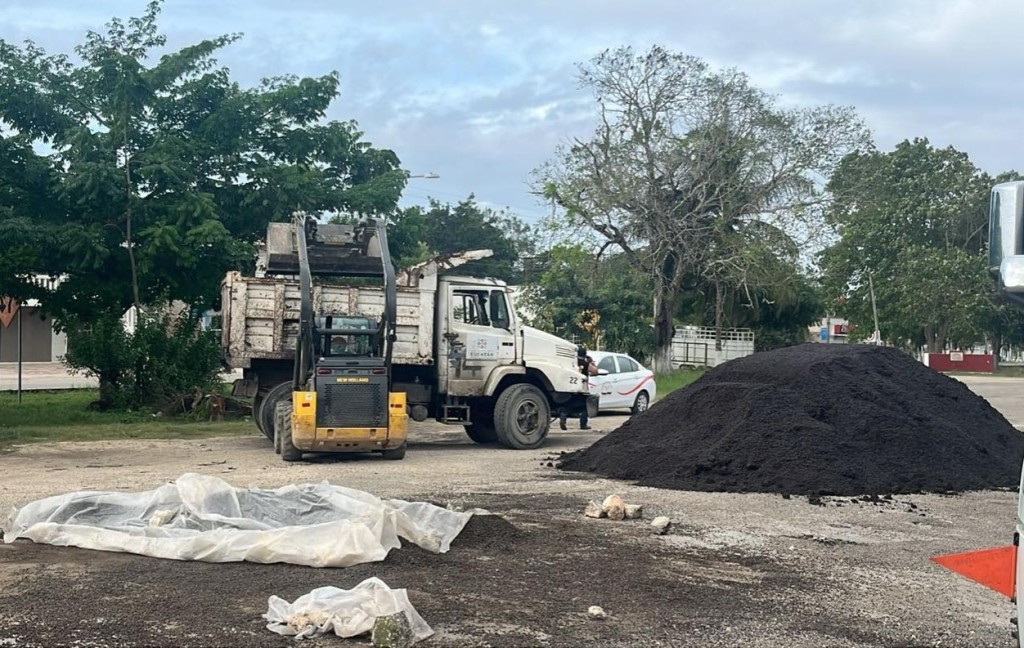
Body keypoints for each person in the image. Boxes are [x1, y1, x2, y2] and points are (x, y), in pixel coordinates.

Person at [560, 346, 598, 430]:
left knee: (569, 403)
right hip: (581, 388)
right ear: (585, 355)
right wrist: (591, 362)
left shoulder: (572, 362)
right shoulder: (585, 363)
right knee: (585, 406)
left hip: (569, 387)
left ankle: (563, 416)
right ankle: (583, 424)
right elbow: (595, 371)